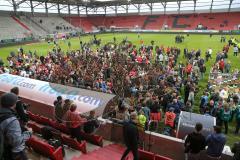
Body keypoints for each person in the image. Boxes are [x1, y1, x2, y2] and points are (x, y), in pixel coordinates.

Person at [0, 93, 32, 160]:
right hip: (15, 153)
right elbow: (16, 142)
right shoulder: (12, 120)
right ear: (13, 104)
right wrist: (29, 133)